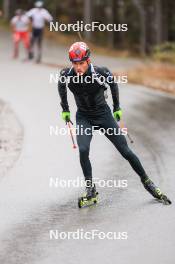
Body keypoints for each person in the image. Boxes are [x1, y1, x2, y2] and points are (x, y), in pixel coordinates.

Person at [58, 41, 171, 204]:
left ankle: (147, 182)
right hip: (84, 116)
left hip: (103, 115)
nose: (78, 68)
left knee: (125, 151)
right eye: (75, 64)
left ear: (88, 61)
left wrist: (116, 107)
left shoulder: (100, 72)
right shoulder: (66, 74)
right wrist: (65, 109)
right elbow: (61, 86)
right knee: (83, 149)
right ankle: (91, 189)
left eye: (81, 63)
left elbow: (113, 83)